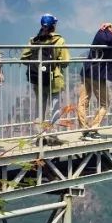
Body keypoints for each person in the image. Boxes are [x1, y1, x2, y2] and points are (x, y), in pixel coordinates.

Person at [21, 14, 70, 145]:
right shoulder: (59, 41)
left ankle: (39, 136)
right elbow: (65, 62)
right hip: (54, 79)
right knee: (54, 108)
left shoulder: (33, 40)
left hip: (38, 80)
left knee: (40, 107)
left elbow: (24, 58)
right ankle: (53, 136)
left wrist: (36, 65)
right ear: (54, 25)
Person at [78, 20, 112, 139]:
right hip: (97, 74)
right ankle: (94, 128)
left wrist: (110, 26)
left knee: (83, 102)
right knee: (105, 103)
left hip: (86, 70)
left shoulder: (100, 32)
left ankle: (84, 130)